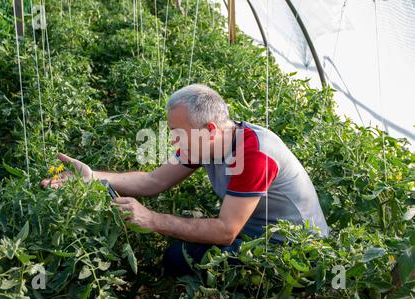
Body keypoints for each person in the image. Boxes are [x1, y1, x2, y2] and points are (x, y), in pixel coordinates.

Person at [41, 84, 329, 277]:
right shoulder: (202, 144)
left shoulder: (254, 154)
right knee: (179, 258)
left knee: (187, 262)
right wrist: (92, 177)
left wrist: (151, 219)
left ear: (211, 129)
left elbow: (226, 231)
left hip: (293, 249)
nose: (173, 140)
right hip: (252, 233)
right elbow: (154, 182)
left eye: (178, 132)